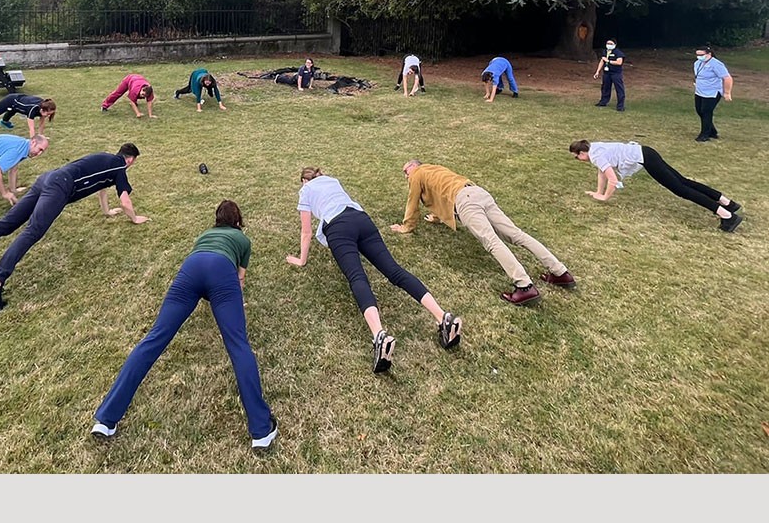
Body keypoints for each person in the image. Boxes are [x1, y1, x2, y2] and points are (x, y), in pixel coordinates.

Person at [90, 200, 277, 450]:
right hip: (222, 272)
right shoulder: (243, 240)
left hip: (191, 268)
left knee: (154, 339)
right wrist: (232, 306)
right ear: (238, 221)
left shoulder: (204, 235)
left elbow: (203, 268)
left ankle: (105, 419)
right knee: (238, 344)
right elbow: (239, 279)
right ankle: (261, 430)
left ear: (216, 219)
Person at [0, 143, 147, 311]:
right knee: (32, 231)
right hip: (60, 187)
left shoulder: (106, 160)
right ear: (130, 160)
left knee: (4, 225)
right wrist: (135, 218)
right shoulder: (120, 167)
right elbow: (125, 200)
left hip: (47, 178)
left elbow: (101, 188)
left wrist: (106, 212)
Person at [286, 166, 462, 373]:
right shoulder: (332, 181)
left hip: (337, 228)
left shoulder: (306, 190)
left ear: (304, 181)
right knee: (395, 270)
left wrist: (302, 260)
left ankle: (379, 335)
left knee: (357, 277)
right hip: (362, 220)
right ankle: (443, 317)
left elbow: (306, 232)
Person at [392, 160, 576, 305]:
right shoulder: (434, 169)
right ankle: (560, 272)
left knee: (492, 242)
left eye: (405, 171)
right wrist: (437, 217)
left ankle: (524, 285)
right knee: (517, 235)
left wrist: (406, 226)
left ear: (414, 167)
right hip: (478, 192)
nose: (405, 176)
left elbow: (412, 202)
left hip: (466, 202)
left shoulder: (417, 174)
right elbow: (441, 191)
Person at [568, 139, 743, 232]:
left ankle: (727, 216)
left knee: (681, 189)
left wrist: (605, 197)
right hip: (647, 152)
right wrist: (598, 192)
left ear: (582, 152)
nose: (577, 160)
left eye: (577, 157)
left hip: (646, 158)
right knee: (683, 182)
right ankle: (728, 203)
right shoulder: (595, 148)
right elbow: (602, 173)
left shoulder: (596, 155)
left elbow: (613, 180)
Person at [693, 44, 733, 142]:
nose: (699, 57)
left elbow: (727, 78)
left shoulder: (716, 64)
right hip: (699, 92)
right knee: (699, 110)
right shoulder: (697, 63)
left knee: (706, 111)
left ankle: (704, 135)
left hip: (712, 93)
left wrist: (727, 93)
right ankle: (712, 131)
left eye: (701, 55)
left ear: (709, 54)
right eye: (697, 55)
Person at [593, 40, 625, 111]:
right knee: (605, 87)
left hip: (616, 73)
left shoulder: (618, 53)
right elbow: (602, 61)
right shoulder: (605, 51)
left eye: (611, 44)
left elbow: (619, 62)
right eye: (608, 43)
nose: (609, 45)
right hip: (607, 73)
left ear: (615, 45)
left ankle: (620, 106)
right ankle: (603, 102)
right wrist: (597, 71)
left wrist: (608, 61)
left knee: (619, 88)